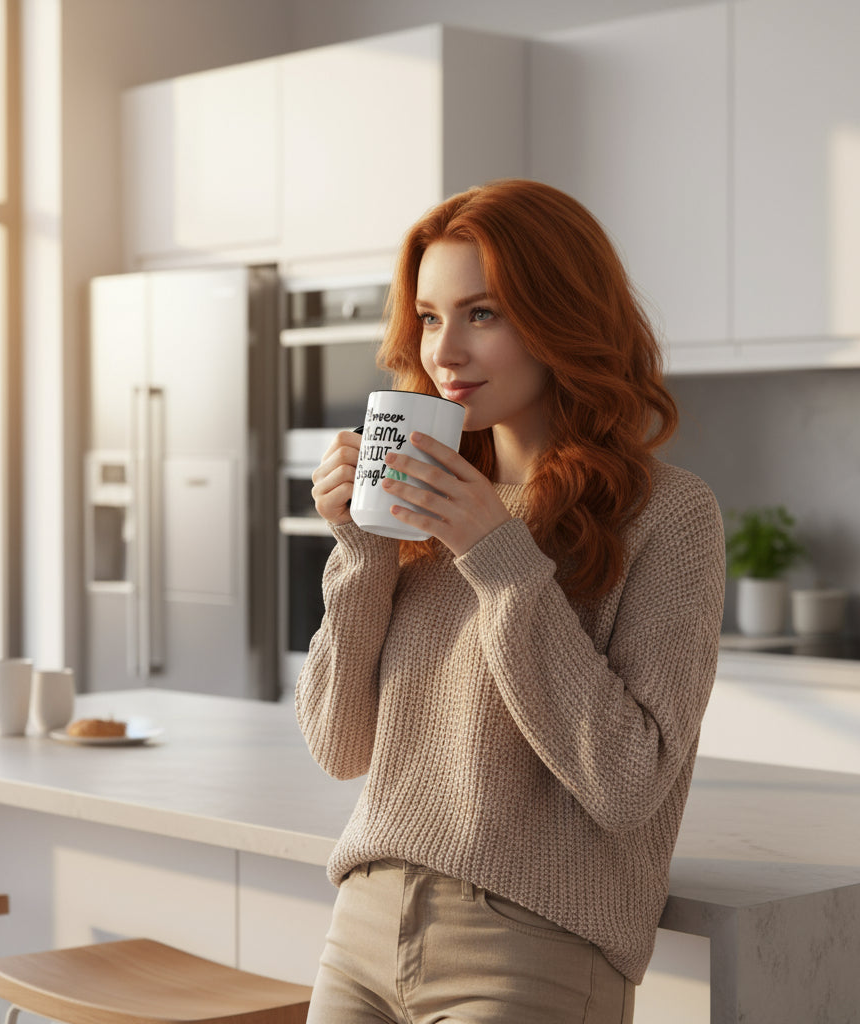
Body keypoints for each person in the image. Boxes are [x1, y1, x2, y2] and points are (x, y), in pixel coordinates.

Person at [296, 179, 725, 1024]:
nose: (444, 351)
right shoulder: (418, 505)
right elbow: (339, 745)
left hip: (530, 953)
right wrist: (361, 549)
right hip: (363, 929)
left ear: (562, 316)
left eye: (482, 313)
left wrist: (497, 555)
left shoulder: (669, 517)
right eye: (427, 316)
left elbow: (628, 782)